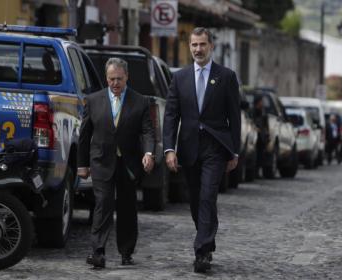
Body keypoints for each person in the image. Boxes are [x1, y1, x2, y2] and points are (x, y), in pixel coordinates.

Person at [163, 27, 241, 273]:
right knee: (196, 200)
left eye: (203, 44)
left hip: (215, 148)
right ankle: (207, 236)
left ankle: (202, 251)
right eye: (194, 45)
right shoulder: (180, 77)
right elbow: (171, 116)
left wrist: (234, 151)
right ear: (190, 47)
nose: (198, 49)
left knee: (208, 196)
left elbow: (234, 117)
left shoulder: (226, 76)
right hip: (188, 147)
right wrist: (169, 149)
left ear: (211, 46)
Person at [77, 57, 155, 269]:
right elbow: (84, 135)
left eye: (119, 79)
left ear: (127, 77)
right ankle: (98, 251)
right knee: (103, 204)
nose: (115, 83)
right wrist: (81, 164)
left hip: (129, 163)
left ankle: (126, 251)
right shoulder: (93, 100)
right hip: (101, 161)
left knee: (127, 207)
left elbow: (148, 131)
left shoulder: (140, 101)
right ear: (106, 78)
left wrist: (148, 153)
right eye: (111, 79)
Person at [253, 95, 269, 177]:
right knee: (256, 155)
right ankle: (255, 171)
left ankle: (258, 171)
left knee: (261, 155)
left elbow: (266, 124)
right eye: (261, 101)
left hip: (261, 137)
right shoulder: (253, 111)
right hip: (255, 136)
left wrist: (266, 133)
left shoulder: (263, 112)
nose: (262, 103)